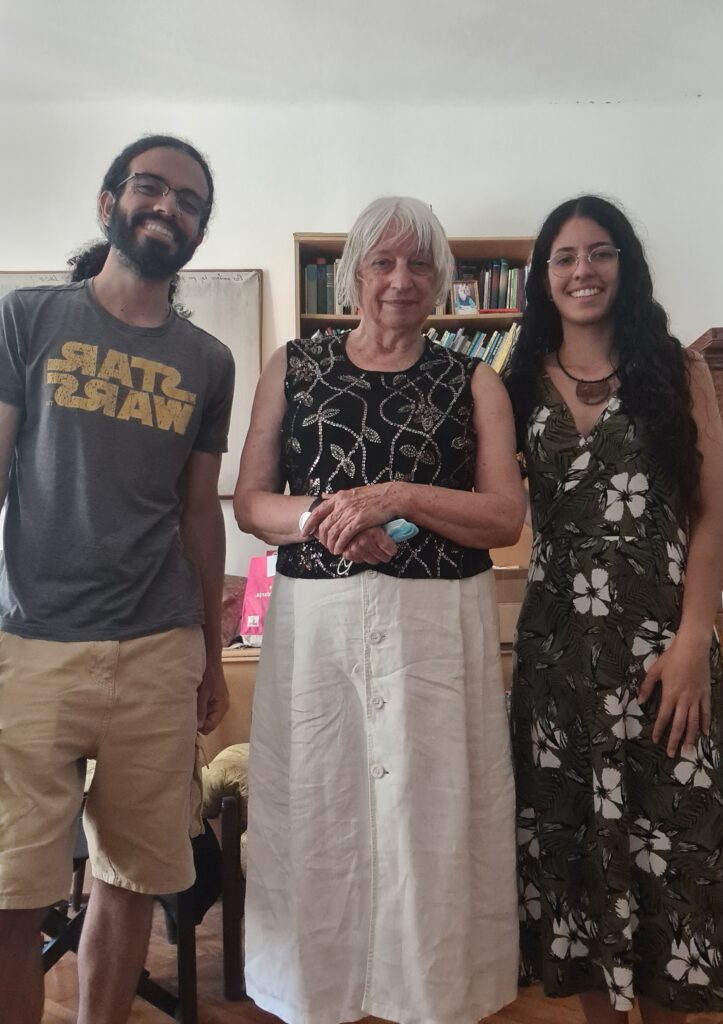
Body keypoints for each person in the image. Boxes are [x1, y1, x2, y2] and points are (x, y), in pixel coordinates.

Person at [234, 196, 526, 1024]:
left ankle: (433, 995)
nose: (401, 280)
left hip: (438, 625)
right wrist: (324, 519)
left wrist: (399, 495)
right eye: (383, 262)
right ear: (353, 273)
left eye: (419, 264)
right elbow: (252, 502)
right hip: (317, 626)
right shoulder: (294, 366)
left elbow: (504, 517)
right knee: (317, 804)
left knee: (433, 811)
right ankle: (316, 994)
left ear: (441, 278)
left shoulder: (474, 379)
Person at [0, 134, 235, 1024]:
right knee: (11, 895)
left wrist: (211, 656)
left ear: (198, 233)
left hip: (158, 648)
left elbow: (199, 513)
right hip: (31, 643)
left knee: (131, 881)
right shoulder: (28, 318)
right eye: (150, 186)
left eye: (189, 201)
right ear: (110, 204)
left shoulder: (209, 362)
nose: (168, 205)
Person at [505, 195, 723, 1022]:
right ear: (544, 276)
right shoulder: (512, 384)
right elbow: (486, 504)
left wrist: (693, 642)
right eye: (565, 257)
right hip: (558, 660)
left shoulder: (677, 370)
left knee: (672, 859)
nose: (583, 270)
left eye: (599, 252)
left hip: (664, 655)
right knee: (576, 860)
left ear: (624, 264)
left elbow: (712, 514)